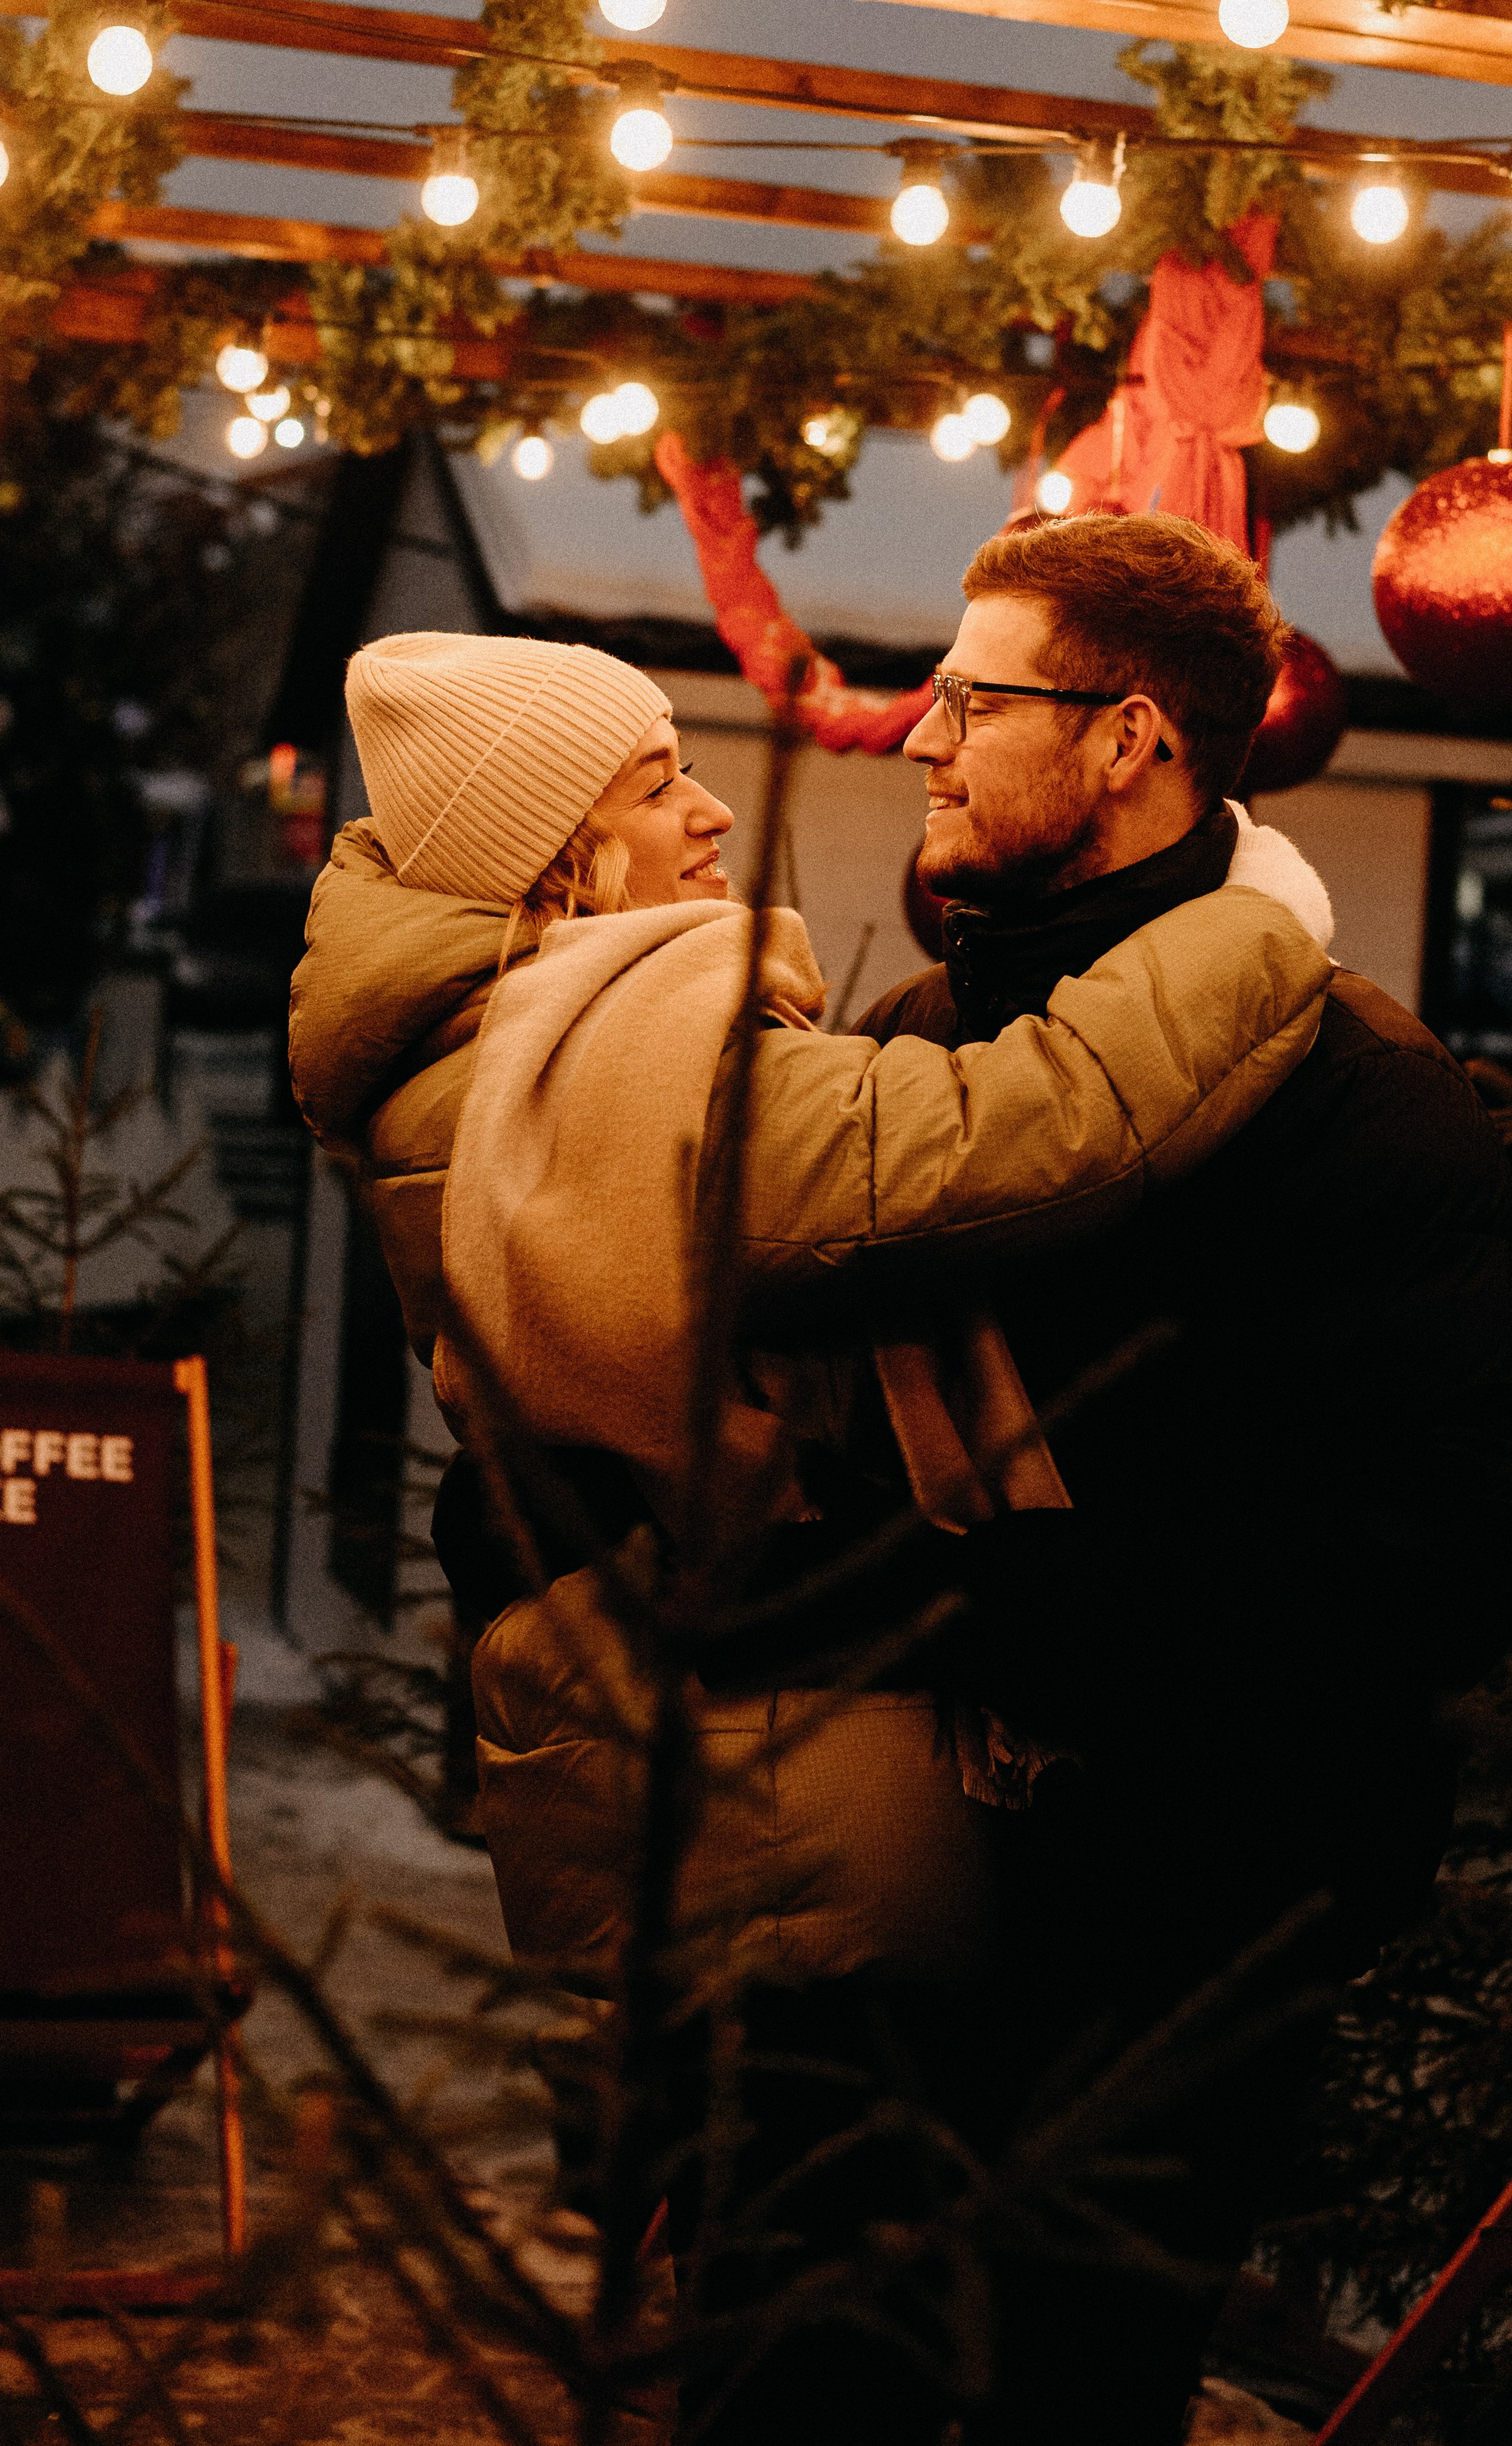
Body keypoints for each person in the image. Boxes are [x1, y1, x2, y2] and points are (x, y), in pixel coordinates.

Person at [287, 628, 1336, 2319]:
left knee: (781, 2276)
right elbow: (1025, 1131)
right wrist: (1258, 922)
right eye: (654, 786)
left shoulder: (500, 1052)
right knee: (822, 2308)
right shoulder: (611, 1088)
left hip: (709, 1752)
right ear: (566, 856)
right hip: (785, 1786)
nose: (709, 812)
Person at [831, 510, 1512, 2443]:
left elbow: (1438, 1554)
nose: (921, 737)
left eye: (972, 700)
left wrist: (972, 1594)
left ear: (1130, 737)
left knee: (1064, 2398)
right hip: (880, 1904)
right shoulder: (912, 1049)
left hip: (1182, 1921)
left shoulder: (1355, 1099)